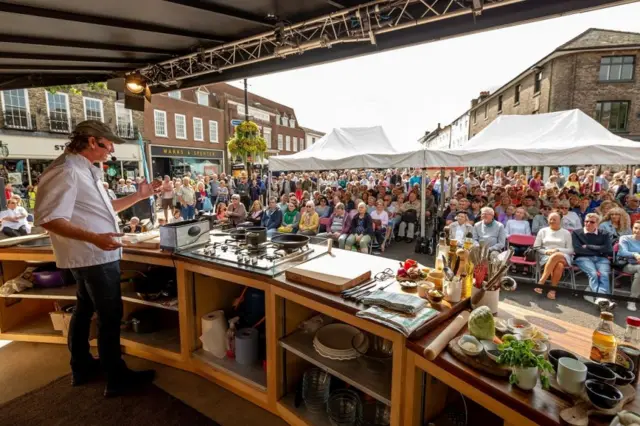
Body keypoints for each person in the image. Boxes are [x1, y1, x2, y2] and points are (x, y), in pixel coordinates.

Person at [34, 120, 157, 397]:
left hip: (95, 253)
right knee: (110, 316)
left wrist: (138, 196)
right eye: (108, 143)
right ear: (92, 141)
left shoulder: (84, 170)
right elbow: (48, 218)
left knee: (84, 309)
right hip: (93, 256)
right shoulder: (66, 170)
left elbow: (105, 208)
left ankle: (83, 366)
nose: (111, 149)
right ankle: (116, 378)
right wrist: (95, 239)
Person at [572, 212, 613, 305]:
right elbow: (578, 250)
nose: (588, 224)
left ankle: (600, 299)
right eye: (586, 221)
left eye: (592, 222)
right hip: (583, 258)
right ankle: (603, 299)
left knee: (604, 275)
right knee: (593, 274)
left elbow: (609, 249)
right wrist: (600, 249)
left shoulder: (605, 234)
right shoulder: (576, 233)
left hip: (602, 259)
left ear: (597, 223)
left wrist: (589, 246)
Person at [535, 212, 573, 300]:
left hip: (564, 256)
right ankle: (552, 290)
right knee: (559, 265)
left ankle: (541, 282)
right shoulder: (542, 231)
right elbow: (536, 247)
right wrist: (546, 251)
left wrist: (558, 250)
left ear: (560, 221)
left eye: (554, 219)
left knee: (556, 255)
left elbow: (570, 250)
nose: (552, 221)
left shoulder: (566, 233)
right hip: (546, 256)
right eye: (550, 219)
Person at [617, 221, 640, 311]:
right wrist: (635, 254)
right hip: (627, 264)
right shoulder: (625, 238)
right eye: (635, 228)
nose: (637, 231)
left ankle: (632, 299)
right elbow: (622, 252)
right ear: (632, 228)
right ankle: (632, 300)